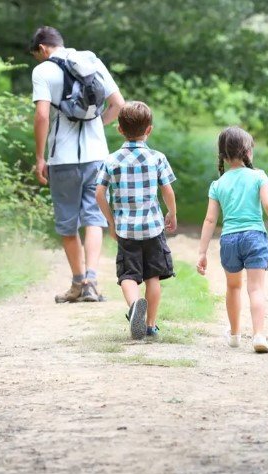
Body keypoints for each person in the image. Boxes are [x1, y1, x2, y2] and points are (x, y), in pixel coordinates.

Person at [29, 26, 125, 303]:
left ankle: (77, 283)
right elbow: (118, 103)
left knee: (68, 223)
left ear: (43, 49)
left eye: (37, 55)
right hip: (97, 156)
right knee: (94, 218)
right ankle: (92, 281)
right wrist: (97, 124)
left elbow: (42, 116)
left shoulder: (43, 71)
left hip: (63, 159)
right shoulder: (91, 61)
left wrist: (39, 157)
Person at [196, 126, 268, 354]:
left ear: (224, 156)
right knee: (255, 289)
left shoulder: (218, 185)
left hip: (229, 240)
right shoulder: (258, 176)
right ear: (248, 152)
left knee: (233, 287)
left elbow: (210, 220)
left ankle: (236, 335)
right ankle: (258, 334)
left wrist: (202, 252)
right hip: (254, 237)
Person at [96, 101, 178, 340]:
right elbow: (168, 190)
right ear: (149, 129)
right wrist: (171, 213)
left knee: (128, 276)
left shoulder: (111, 160)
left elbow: (99, 193)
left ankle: (134, 307)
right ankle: (150, 325)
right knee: (153, 277)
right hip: (153, 227)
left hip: (126, 230)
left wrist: (111, 222)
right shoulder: (157, 158)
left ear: (120, 129)